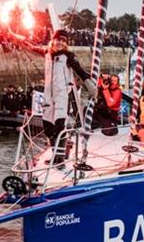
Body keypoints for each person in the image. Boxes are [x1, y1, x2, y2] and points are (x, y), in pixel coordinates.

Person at [18, 29, 96, 164]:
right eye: (58, 39)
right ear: (53, 40)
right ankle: (55, 154)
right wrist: (19, 39)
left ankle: (60, 157)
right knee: (47, 126)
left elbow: (80, 70)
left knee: (60, 125)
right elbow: (32, 47)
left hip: (62, 96)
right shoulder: (47, 53)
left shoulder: (69, 56)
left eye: (63, 40)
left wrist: (90, 85)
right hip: (48, 95)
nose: (60, 42)